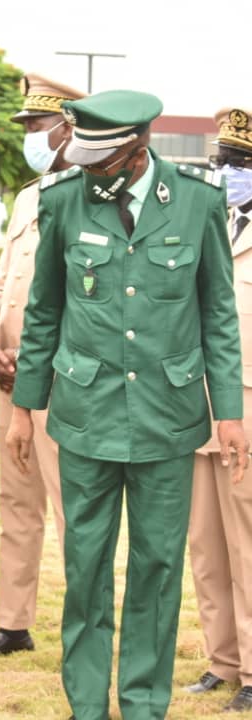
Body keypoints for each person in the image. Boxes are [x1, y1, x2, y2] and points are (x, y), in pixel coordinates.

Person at [7, 89, 248, 720]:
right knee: (85, 570)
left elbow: (220, 314)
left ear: (137, 149)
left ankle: (143, 705)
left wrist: (229, 412)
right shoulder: (62, 202)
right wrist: (20, 409)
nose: (86, 168)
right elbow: (43, 313)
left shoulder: (197, 201)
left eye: (99, 158)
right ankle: (87, 705)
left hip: (170, 419)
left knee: (158, 570)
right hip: (84, 417)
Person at [0, 73, 82, 660]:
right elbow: (1, 285)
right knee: (16, 503)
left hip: (62, 383)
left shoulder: (92, 194)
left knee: (73, 510)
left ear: (69, 126)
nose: (30, 135)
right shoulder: (31, 196)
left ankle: (84, 628)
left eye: (37, 125)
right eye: (28, 126)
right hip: (12, 378)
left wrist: (35, 362)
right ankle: (14, 623)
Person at [185, 105, 252, 712]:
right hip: (199, 401)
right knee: (205, 541)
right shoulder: (211, 223)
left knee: (251, 541)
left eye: (241, 164)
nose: (229, 173)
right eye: (224, 162)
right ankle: (222, 659)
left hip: (251, 407)